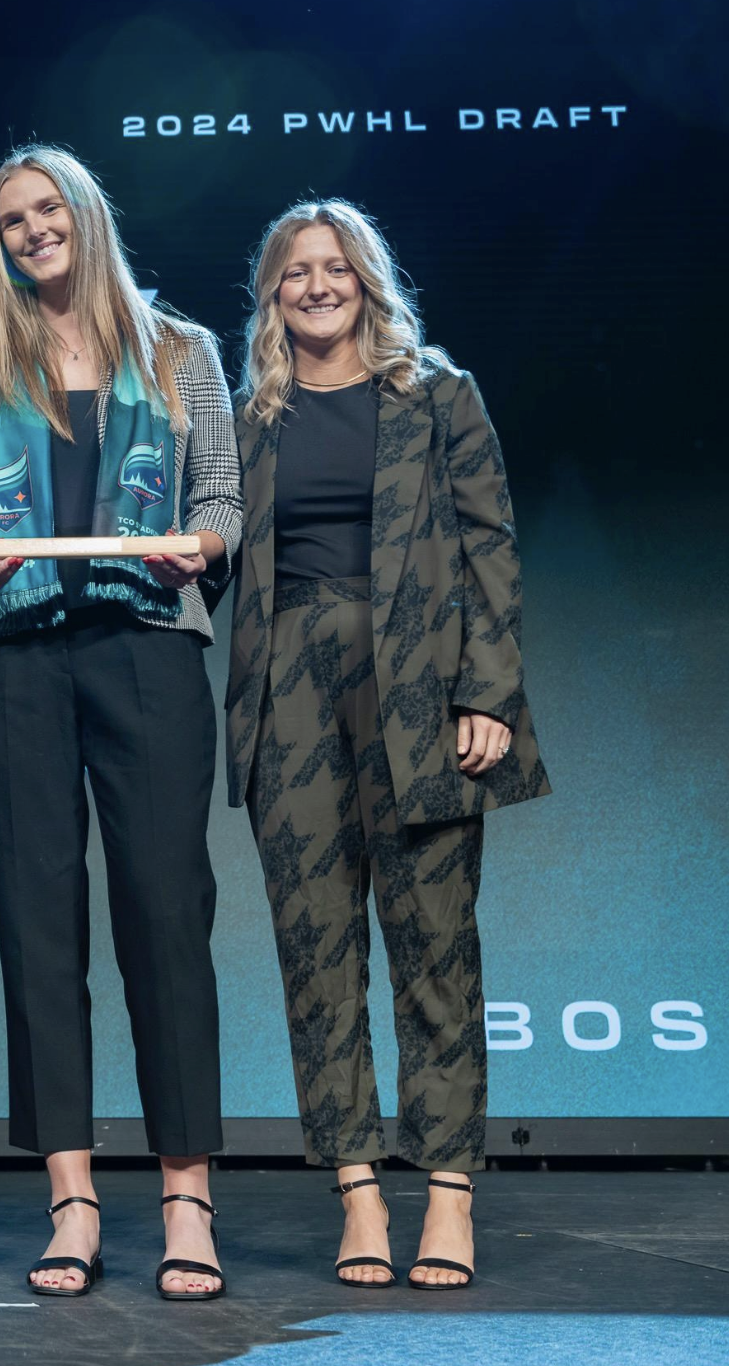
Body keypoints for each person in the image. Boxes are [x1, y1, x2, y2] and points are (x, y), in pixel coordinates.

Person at [0, 145, 242, 1300]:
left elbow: (220, 507)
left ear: (85, 216)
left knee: (164, 915)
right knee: (37, 928)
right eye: (11, 220)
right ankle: (71, 1197)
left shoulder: (183, 351)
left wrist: (193, 547)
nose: (31, 231)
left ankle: (186, 1199)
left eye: (48, 210)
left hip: (145, 648)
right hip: (9, 661)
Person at [228, 200, 548, 1290]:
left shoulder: (437, 395)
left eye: (333, 268)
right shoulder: (251, 416)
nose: (315, 286)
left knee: (433, 947)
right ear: (271, 295)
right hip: (290, 693)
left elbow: (489, 548)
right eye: (292, 273)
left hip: (419, 685)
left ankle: (447, 1191)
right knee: (315, 953)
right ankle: (357, 1192)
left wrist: (488, 694)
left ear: (366, 279)